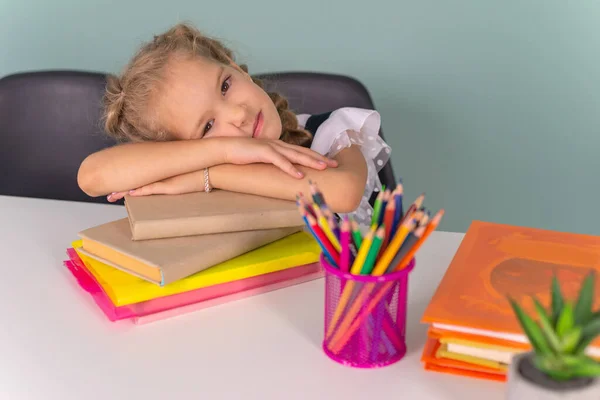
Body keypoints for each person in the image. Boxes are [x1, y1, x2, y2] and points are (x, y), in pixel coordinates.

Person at [77, 22, 392, 228]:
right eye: (209, 125)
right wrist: (226, 149)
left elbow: (344, 192)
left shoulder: (333, 131)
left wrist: (211, 173)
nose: (237, 115)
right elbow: (92, 176)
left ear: (232, 65)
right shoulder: (206, 153)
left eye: (225, 86)